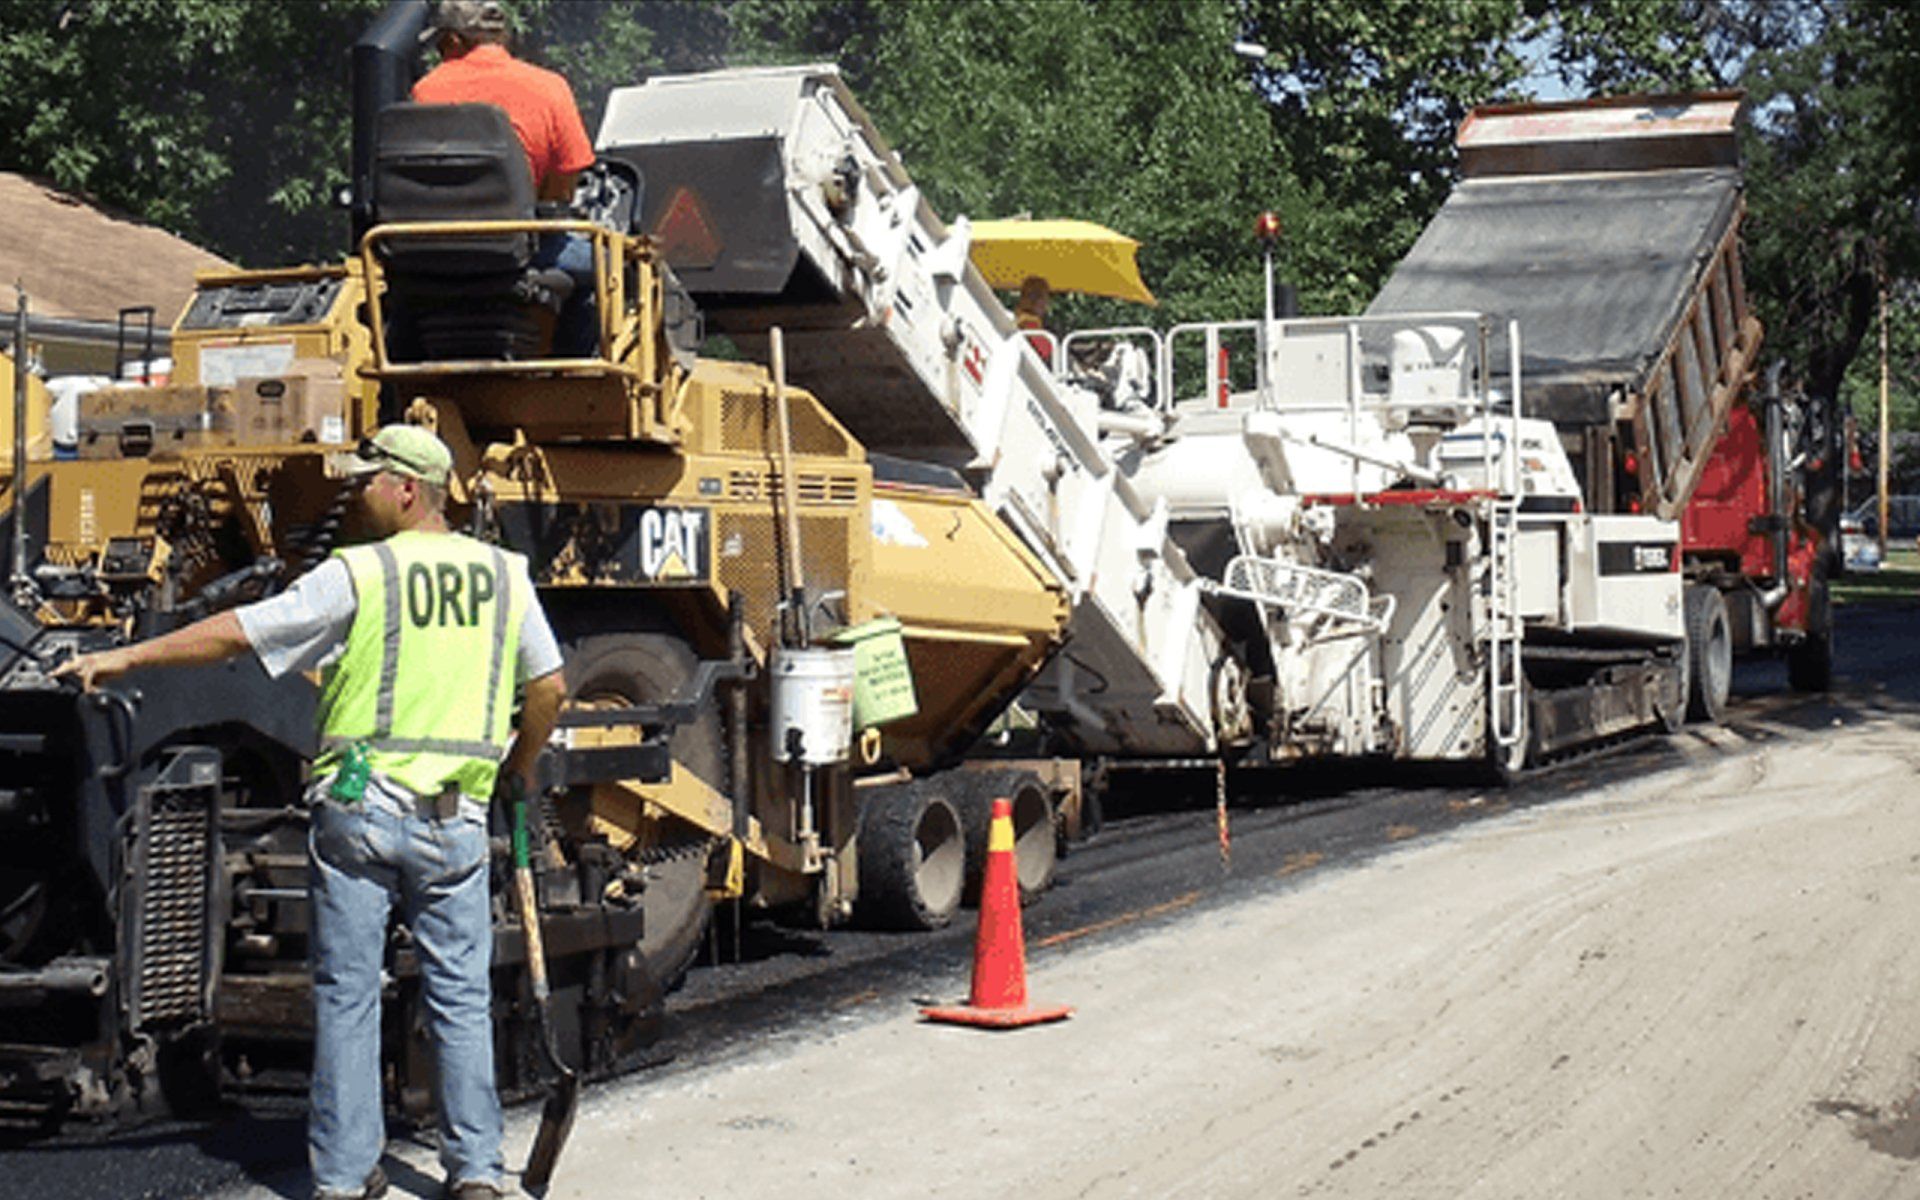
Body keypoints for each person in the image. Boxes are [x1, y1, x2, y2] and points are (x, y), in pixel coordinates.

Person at [55, 425, 567, 1200]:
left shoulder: (361, 572)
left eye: (365, 480)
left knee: (348, 995)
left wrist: (123, 656)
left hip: (361, 814)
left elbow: (239, 630)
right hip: (455, 820)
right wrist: (518, 769)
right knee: (460, 996)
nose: (352, 492)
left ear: (405, 489)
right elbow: (550, 686)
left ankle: (340, 1175)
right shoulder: (504, 574)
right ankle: (475, 1173)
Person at [413, 0, 599, 355]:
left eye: (439, 45)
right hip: (523, 253)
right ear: (503, 37)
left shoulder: (425, 92)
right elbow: (562, 189)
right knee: (611, 268)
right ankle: (572, 373)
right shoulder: (549, 87)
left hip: (438, 255)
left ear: (453, 41)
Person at [1013, 274, 1055, 368]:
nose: (1046, 303)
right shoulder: (1029, 323)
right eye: (1044, 297)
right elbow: (1046, 352)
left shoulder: (1017, 318)